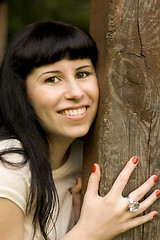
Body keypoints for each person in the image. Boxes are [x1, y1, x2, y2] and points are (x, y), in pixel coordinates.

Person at [0, 21, 159, 240]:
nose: (75, 92)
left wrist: (77, 223)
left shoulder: (82, 161)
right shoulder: (8, 168)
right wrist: (89, 232)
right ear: (22, 94)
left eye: (82, 74)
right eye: (52, 79)